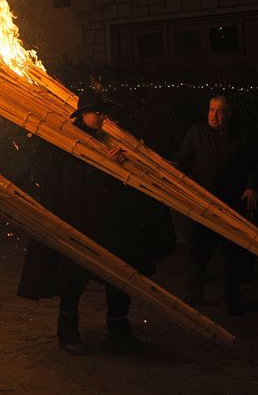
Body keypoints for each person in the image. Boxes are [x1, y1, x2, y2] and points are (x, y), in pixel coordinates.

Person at [17, 92, 175, 355]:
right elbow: (69, 181)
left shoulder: (110, 138)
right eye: (96, 113)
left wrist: (123, 162)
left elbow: (126, 180)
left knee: (120, 276)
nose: (101, 117)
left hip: (112, 222)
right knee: (72, 278)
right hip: (78, 221)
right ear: (81, 115)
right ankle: (67, 329)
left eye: (103, 113)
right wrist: (103, 164)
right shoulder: (68, 140)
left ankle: (118, 328)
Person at [175, 96, 258, 314]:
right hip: (202, 203)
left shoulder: (241, 137)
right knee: (198, 252)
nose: (213, 115)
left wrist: (251, 186)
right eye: (211, 110)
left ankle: (232, 298)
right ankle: (194, 294)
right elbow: (182, 163)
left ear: (229, 114)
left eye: (219, 111)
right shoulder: (196, 133)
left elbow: (253, 165)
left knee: (232, 254)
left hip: (231, 204)